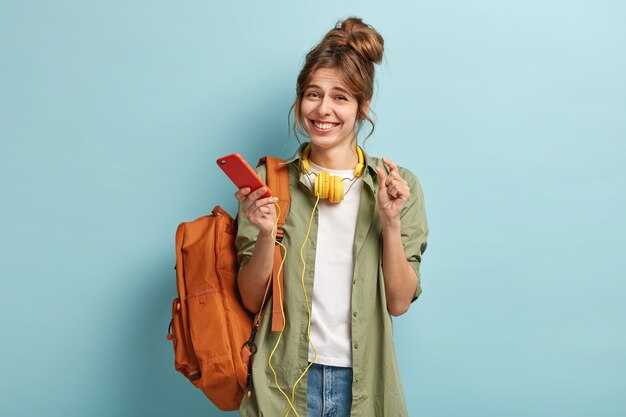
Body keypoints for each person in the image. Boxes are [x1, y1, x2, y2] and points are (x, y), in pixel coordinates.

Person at [234, 16, 428, 417]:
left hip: (362, 384)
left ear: (363, 107)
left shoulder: (395, 185)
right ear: (300, 99)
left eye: (341, 97)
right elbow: (252, 299)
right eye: (313, 94)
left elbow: (399, 302)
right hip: (282, 382)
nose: (323, 109)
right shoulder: (269, 181)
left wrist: (391, 222)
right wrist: (267, 233)